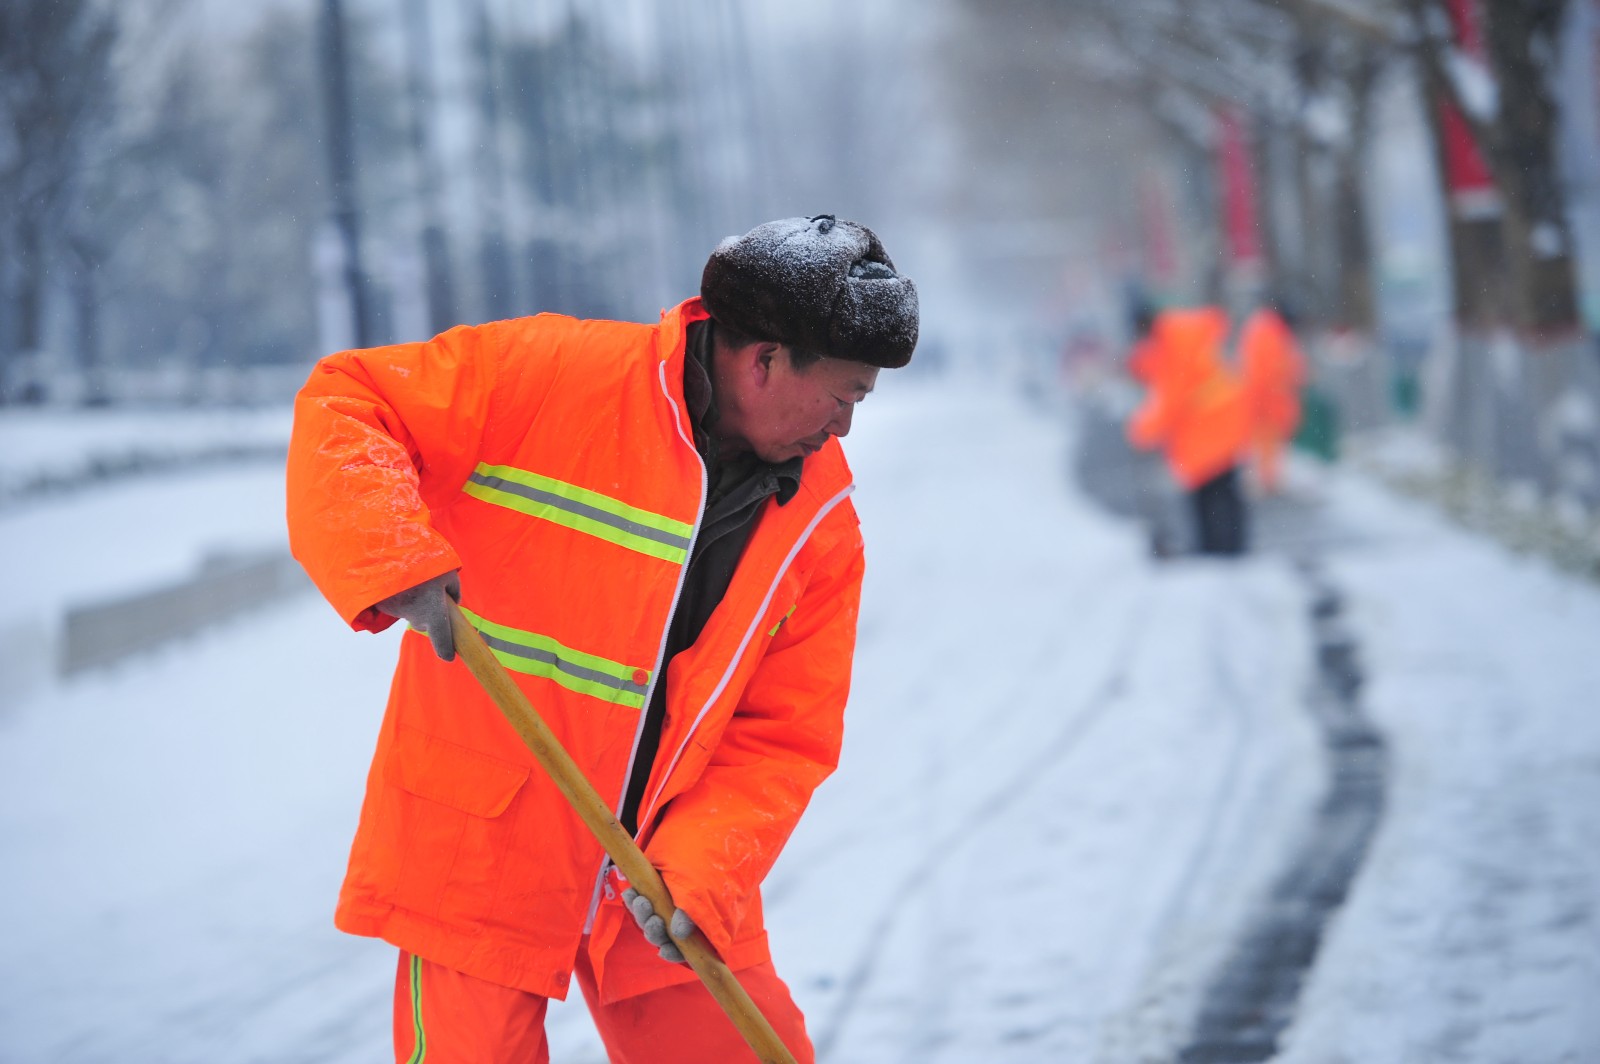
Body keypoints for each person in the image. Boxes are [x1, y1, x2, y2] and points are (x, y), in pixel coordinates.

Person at [285, 214, 918, 1063]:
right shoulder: (554, 374)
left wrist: (699, 875)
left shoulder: (822, 520)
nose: (843, 429)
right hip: (482, 840)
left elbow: (781, 735)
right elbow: (351, 400)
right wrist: (388, 553)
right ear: (764, 359)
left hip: (660, 874)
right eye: (844, 396)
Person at [1125, 304, 1252, 555]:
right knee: (1222, 492)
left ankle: (1219, 551)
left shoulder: (1174, 342)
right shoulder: (1181, 333)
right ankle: (1227, 548)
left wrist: (1142, 430)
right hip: (1219, 426)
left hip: (1207, 431)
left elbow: (1171, 397)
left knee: (1210, 497)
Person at [1237, 298, 1307, 496]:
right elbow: (1270, 370)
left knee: (1265, 443)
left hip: (1267, 400)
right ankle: (1266, 481)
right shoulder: (1269, 333)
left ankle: (1265, 479)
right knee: (1265, 442)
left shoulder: (1266, 330)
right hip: (1267, 401)